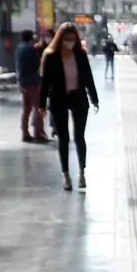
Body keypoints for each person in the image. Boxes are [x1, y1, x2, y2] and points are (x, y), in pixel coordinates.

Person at [39, 21, 100, 192]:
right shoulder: (50, 56)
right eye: (67, 38)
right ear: (60, 38)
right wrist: (42, 103)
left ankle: (82, 172)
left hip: (78, 98)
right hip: (59, 98)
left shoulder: (80, 54)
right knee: (63, 138)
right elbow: (45, 82)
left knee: (79, 137)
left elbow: (88, 77)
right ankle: (65, 174)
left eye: (72, 38)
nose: (70, 42)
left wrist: (94, 99)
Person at [15, 30, 48, 143]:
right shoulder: (31, 49)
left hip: (23, 82)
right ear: (31, 37)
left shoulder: (19, 48)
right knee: (38, 107)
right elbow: (36, 65)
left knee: (26, 109)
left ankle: (25, 133)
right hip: (32, 82)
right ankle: (38, 133)